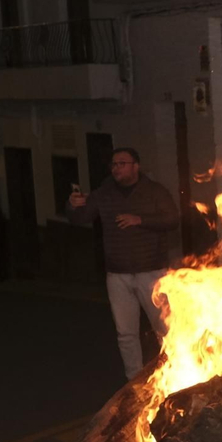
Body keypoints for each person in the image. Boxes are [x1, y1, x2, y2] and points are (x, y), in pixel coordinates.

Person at [67, 147, 180, 379]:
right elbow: (81, 218)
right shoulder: (104, 194)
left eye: (122, 163)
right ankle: (134, 380)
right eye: (114, 165)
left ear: (135, 166)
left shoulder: (154, 191)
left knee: (164, 328)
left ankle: (177, 372)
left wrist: (140, 220)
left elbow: (172, 219)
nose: (116, 168)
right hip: (118, 275)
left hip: (152, 272)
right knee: (126, 333)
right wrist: (73, 205)